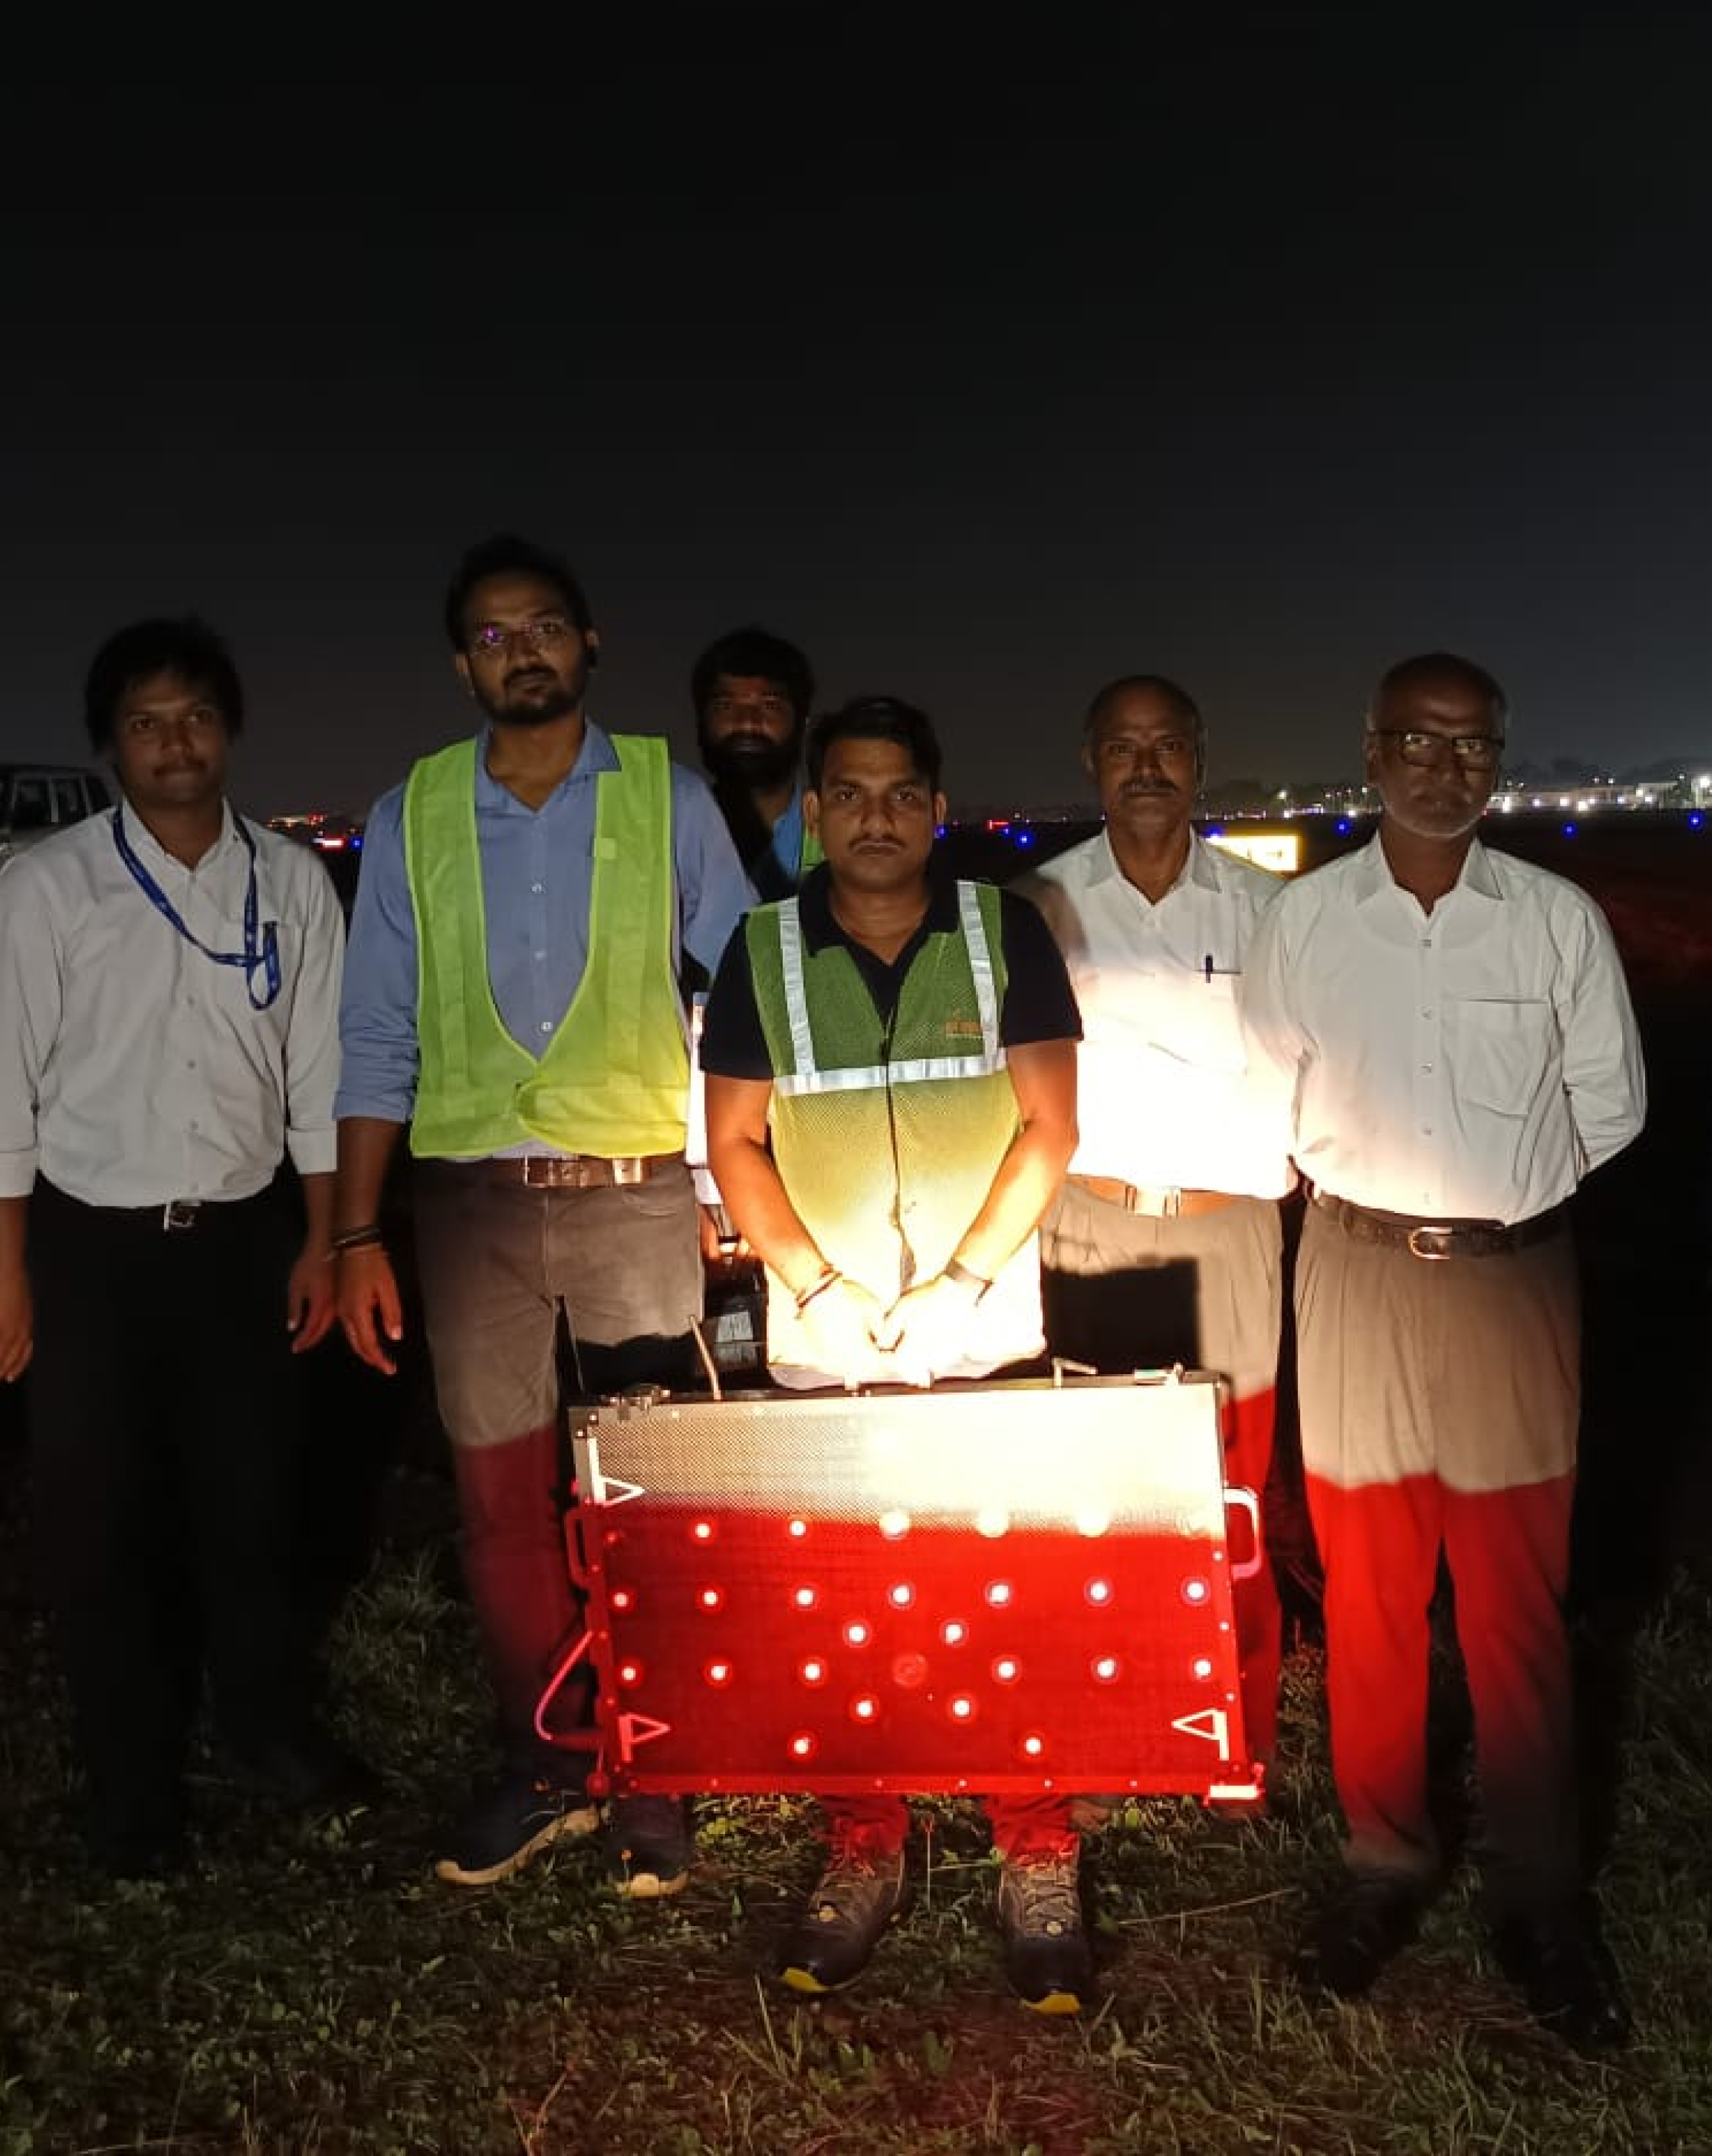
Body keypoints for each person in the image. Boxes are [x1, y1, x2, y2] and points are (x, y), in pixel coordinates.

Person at [330, 535, 753, 1899]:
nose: (525, 651)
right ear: (465, 664)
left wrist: (727, 1178)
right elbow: (376, 1026)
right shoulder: (414, 811)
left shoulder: (667, 796)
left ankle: (660, 1766)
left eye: (547, 628)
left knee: (648, 1496)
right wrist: (352, 1231)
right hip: (470, 1206)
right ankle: (553, 1757)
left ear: (591, 645)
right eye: (496, 636)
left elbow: (744, 981)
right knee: (502, 1502)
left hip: (633, 1194)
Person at [1243, 653, 1643, 2049]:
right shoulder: (1307, 922)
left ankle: (1539, 1893)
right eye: (1416, 740)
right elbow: (1271, 1094)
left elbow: (1611, 1111)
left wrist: (1493, 1201)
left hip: (1509, 1280)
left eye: (1470, 745)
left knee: (1517, 1600)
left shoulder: (1554, 921)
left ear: (1499, 762)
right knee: (1369, 1589)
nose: (1442, 766)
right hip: (1351, 1272)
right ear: (1371, 751)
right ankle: (1383, 1859)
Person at [0, 617, 367, 1876]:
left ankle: (263, 1729)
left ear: (228, 730)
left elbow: (315, 1077)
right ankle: (130, 1790)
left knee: (252, 1503)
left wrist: (322, 1240)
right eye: (145, 722)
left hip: (242, 1242)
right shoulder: (47, 886)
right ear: (108, 745)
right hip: (89, 1248)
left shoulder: (291, 882)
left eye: (193, 717)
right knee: (100, 1523)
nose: (173, 742)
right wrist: (11, 1272)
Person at [699, 696, 1088, 2006]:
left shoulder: (1004, 934)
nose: (875, 816)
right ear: (815, 813)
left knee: (1005, 1595)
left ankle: (1035, 1845)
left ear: (937, 807)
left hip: (984, 1328)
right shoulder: (761, 949)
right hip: (827, 1337)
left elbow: (1049, 1127)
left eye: (899, 793)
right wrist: (815, 1282)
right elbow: (737, 1141)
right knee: (851, 1601)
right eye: (848, 794)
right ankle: (864, 1840)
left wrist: (971, 1276)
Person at [1018, 673, 1294, 1782]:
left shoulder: (1268, 908)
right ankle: (1110, 1728)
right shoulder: (1037, 903)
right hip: (1089, 1218)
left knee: (1234, 1492)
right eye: (1123, 747)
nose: (1146, 766)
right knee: (1098, 1496)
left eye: (1167, 745)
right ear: (1091, 760)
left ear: (1198, 757)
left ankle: (1237, 1729)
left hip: (1228, 1234)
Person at [691, 625, 817, 901]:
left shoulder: (843, 840)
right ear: (700, 723)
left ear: (803, 723)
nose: (747, 721)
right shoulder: (668, 836)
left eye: (769, 706)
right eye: (726, 706)